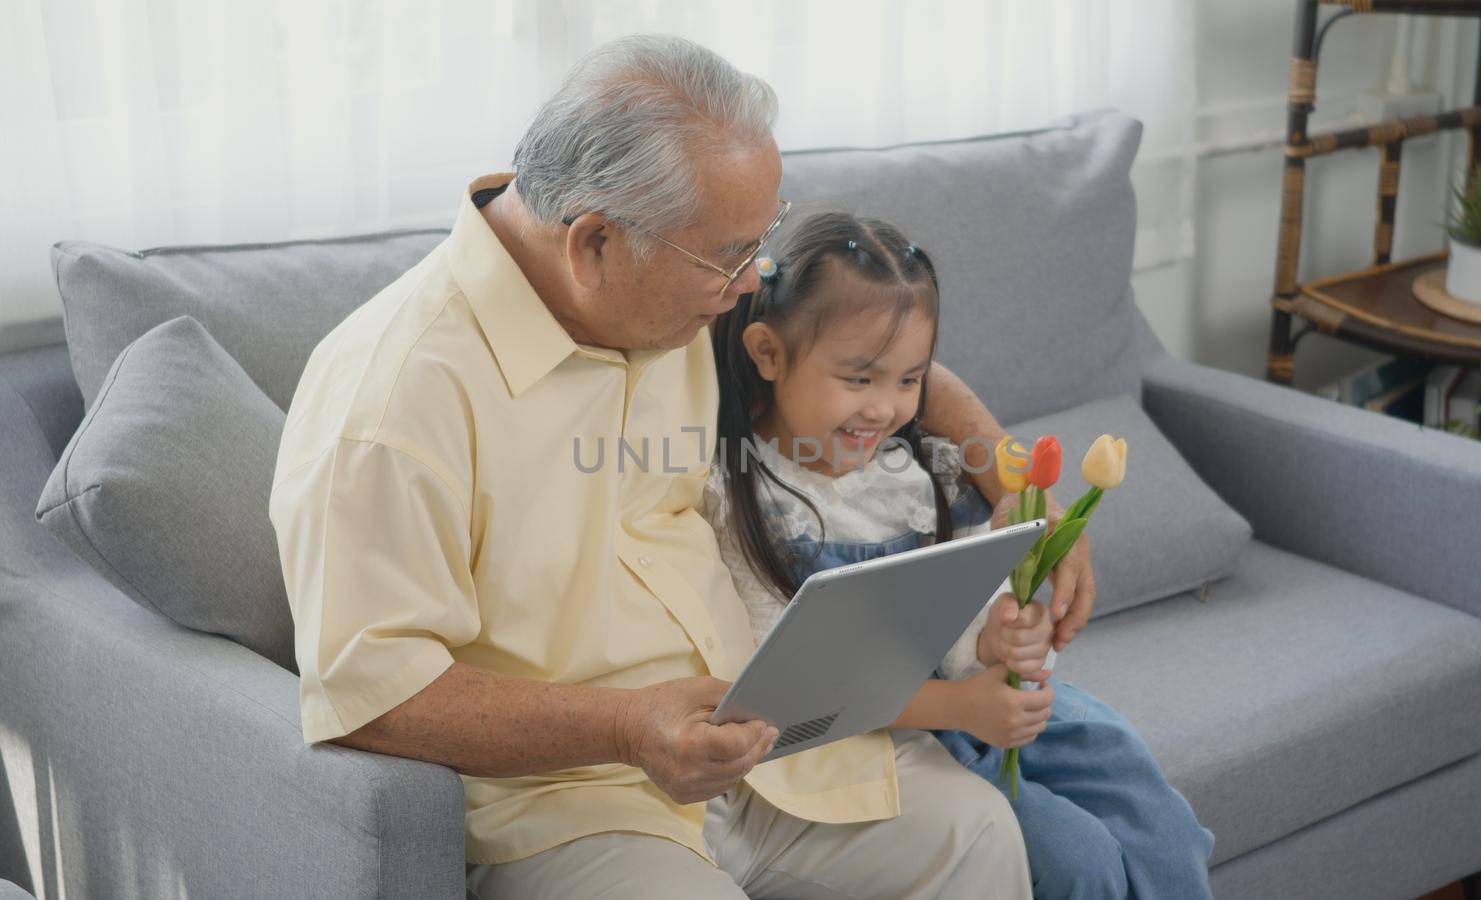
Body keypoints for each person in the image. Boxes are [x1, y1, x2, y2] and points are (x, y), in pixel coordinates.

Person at [270, 34, 1098, 899]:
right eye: (731, 257)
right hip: (573, 802)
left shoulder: (675, 291)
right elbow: (375, 694)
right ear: (593, 245)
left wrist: (1019, 487)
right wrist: (628, 727)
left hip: (770, 752)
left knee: (975, 837)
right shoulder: (394, 400)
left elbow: (876, 364)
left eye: (762, 240)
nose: (752, 283)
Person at [705, 211, 1217, 899]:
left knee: (1165, 828)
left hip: (995, 707)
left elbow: (980, 613)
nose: (886, 407)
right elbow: (795, 684)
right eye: (859, 380)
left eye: (908, 380)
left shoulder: (930, 469)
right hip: (912, 730)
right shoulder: (745, 499)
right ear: (768, 354)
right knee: (1078, 860)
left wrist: (1007, 633)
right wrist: (962, 704)